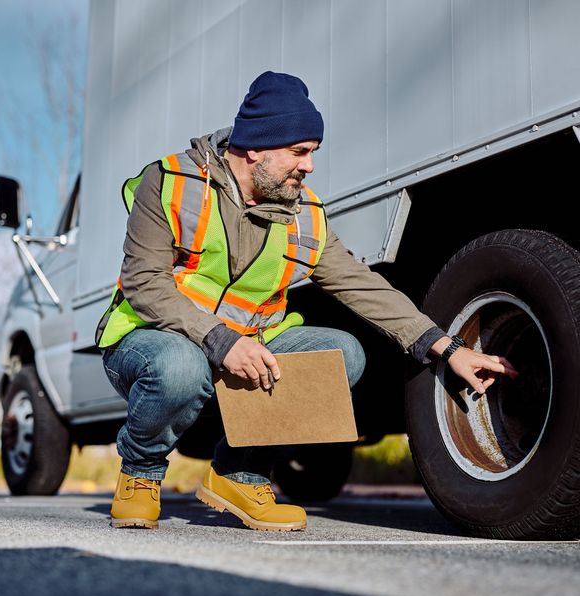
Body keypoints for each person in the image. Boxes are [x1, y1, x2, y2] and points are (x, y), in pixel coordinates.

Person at [96, 71, 517, 532]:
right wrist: (221, 341)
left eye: (313, 152)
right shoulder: (170, 183)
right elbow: (145, 283)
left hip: (244, 343)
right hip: (152, 340)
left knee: (340, 355)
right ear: (256, 148)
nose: (310, 166)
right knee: (179, 368)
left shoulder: (304, 214)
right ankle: (140, 474)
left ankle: (240, 475)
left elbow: (363, 286)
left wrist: (448, 349)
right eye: (300, 152)